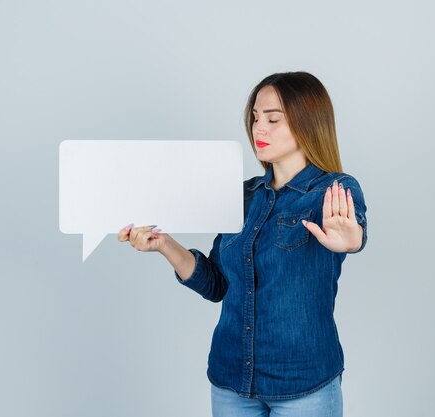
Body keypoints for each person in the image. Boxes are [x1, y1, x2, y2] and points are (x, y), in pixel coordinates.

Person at [118, 71, 368, 417]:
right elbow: (217, 284)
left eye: (272, 119)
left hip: (302, 383)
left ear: (308, 121)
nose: (258, 128)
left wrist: (352, 239)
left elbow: (354, 230)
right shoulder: (244, 196)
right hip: (232, 379)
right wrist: (163, 244)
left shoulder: (333, 190)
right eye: (254, 118)